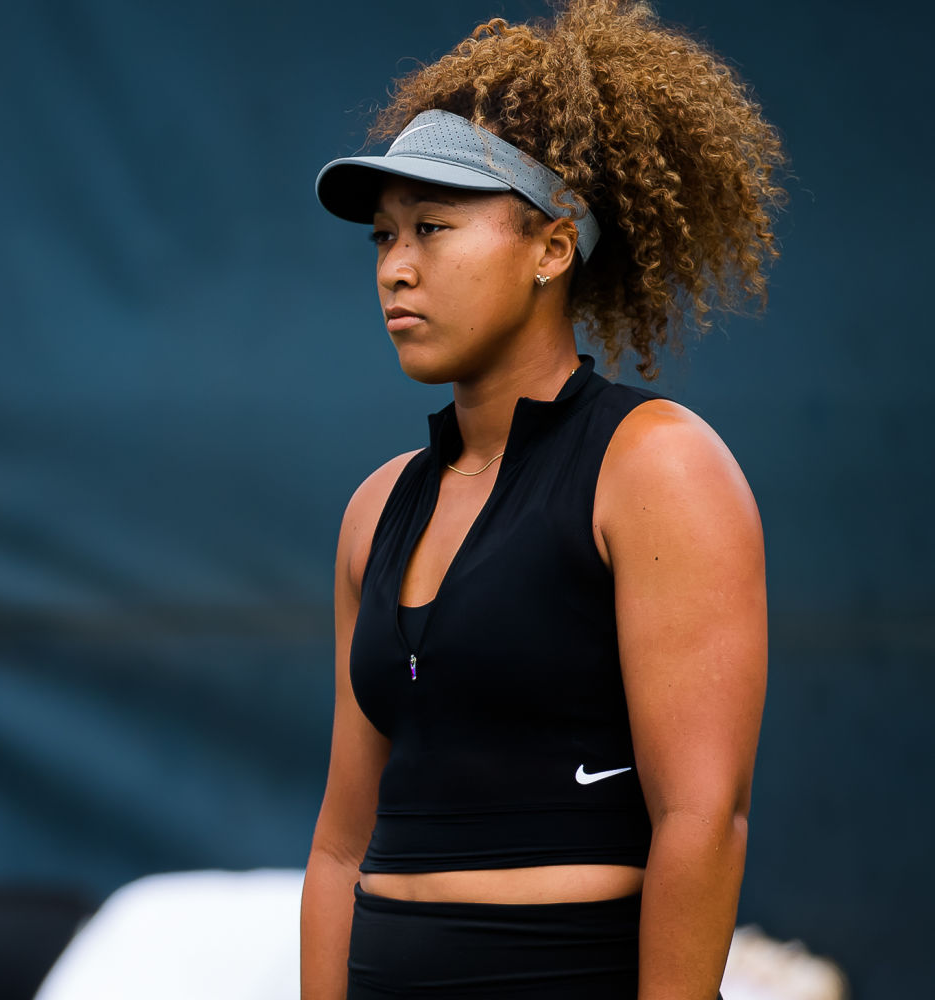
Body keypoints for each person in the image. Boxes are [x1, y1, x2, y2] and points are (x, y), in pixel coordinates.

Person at [298, 1, 780, 997]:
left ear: (551, 248)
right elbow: (341, 845)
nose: (394, 266)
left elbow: (702, 816)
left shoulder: (655, 466)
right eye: (383, 236)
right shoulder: (374, 510)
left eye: (432, 227)